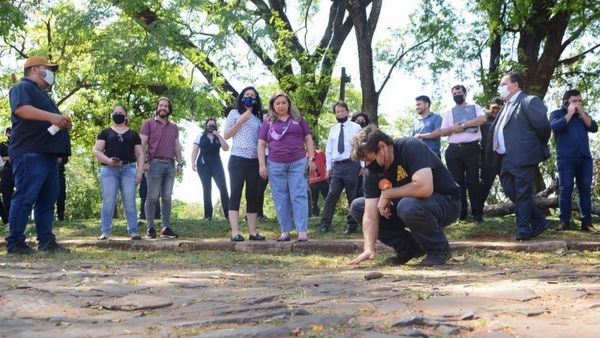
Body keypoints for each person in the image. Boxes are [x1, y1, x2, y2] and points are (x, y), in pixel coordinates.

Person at [348, 126, 460, 266]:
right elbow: (370, 215)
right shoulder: (372, 173)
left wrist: (388, 194)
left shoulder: (411, 147)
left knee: (407, 206)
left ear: (382, 146)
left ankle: (439, 250)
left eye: (369, 159)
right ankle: (409, 248)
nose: (367, 165)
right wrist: (369, 247)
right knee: (358, 207)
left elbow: (424, 187)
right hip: (408, 207)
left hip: (445, 202)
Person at [6, 56, 72, 254]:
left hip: (48, 155)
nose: (51, 73)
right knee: (25, 197)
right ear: (35, 69)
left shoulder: (42, 94)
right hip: (30, 153)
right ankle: (15, 242)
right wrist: (53, 117)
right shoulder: (21, 88)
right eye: (48, 68)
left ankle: (46, 240)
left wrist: (61, 123)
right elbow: (21, 109)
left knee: (47, 200)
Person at [490, 71, 551, 240]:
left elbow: (544, 128)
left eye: (503, 84)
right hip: (505, 158)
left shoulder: (529, 101)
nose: (500, 88)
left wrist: (531, 147)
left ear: (514, 85)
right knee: (510, 190)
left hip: (524, 156)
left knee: (523, 192)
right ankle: (539, 220)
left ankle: (523, 229)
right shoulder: (505, 107)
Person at [258, 90, 316, 241]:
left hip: (298, 162)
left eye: (284, 102)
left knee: (299, 195)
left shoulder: (298, 119)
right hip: (275, 164)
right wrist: (262, 165)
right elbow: (261, 144)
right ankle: (285, 231)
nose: (281, 105)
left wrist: (311, 159)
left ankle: (302, 231)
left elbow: (308, 139)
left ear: (289, 104)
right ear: (273, 106)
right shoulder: (268, 122)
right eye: (277, 103)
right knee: (280, 198)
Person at [433, 85, 486, 223]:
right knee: (456, 183)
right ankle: (460, 214)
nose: (457, 95)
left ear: (465, 94)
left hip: (472, 149)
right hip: (454, 150)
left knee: (474, 182)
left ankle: (477, 214)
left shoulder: (475, 107)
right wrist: (453, 128)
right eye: (454, 93)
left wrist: (464, 125)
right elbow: (442, 132)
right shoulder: (448, 113)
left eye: (459, 92)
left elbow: (482, 119)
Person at [93, 106, 145, 240]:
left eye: (121, 113)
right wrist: (108, 160)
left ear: (126, 116)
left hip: (129, 170)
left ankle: (133, 232)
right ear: (112, 115)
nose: (118, 114)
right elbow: (96, 151)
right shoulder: (105, 132)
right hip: (108, 170)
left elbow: (140, 154)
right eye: (115, 113)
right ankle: (105, 232)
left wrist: (140, 172)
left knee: (130, 202)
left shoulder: (133, 134)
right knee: (108, 201)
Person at [550, 89, 598, 232]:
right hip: (566, 158)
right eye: (574, 101)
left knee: (585, 190)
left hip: (584, 158)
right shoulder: (557, 114)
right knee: (566, 190)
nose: (577, 104)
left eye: (579, 101)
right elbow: (554, 126)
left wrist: (582, 113)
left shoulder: (582, 115)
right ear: (566, 102)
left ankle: (587, 223)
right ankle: (564, 222)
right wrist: (570, 113)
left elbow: (594, 127)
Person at [224, 87, 266, 242]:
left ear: (256, 100)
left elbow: (261, 142)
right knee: (235, 193)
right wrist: (240, 121)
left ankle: (253, 232)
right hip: (237, 159)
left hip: (253, 161)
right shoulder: (234, 114)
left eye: (253, 95)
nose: (249, 97)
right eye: (247, 95)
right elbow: (226, 135)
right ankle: (235, 232)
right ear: (242, 97)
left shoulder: (258, 119)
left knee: (252, 196)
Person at [140, 96, 183, 239]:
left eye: (166, 106)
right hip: (154, 164)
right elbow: (142, 144)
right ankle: (150, 228)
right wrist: (143, 163)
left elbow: (176, 145)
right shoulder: (148, 123)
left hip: (170, 165)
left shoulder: (174, 127)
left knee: (167, 197)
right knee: (152, 197)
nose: (163, 108)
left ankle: (165, 228)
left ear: (169, 109)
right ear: (157, 108)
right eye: (161, 105)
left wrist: (180, 163)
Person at [319, 101, 362, 234]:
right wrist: (328, 168)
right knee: (332, 194)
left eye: (342, 111)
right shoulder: (333, 129)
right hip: (337, 167)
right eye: (337, 111)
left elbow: (360, 147)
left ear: (347, 112)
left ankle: (351, 225)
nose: (340, 113)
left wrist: (363, 165)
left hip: (352, 164)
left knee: (352, 196)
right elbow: (329, 150)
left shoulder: (356, 127)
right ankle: (325, 224)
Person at [191, 118, 230, 222]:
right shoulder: (200, 136)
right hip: (203, 164)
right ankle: (208, 215)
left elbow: (226, 148)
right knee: (207, 188)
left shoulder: (218, 137)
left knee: (223, 187)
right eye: (209, 124)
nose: (211, 126)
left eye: (213, 124)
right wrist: (192, 163)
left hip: (217, 164)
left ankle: (228, 214)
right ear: (206, 126)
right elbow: (194, 151)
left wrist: (218, 135)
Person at [479, 98, 503, 206]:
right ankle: (478, 211)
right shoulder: (484, 120)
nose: (495, 110)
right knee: (484, 186)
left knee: (509, 185)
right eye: (493, 108)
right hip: (487, 158)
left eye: (498, 108)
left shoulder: (506, 119)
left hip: (503, 158)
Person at [308, 149, 328, 216]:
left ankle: (327, 213)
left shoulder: (321, 153)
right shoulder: (305, 156)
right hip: (313, 181)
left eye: (313, 144)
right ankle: (315, 215)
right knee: (314, 200)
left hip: (323, 179)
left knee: (327, 198)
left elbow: (326, 162)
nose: (313, 146)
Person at [0, 127, 13, 226]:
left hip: (19, 172)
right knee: (6, 195)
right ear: (7, 134)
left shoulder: (20, 145)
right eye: (11, 132)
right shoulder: (2, 145)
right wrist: (6, 158)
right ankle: (7, 219)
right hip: (6, 172)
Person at [56, 156, 68, 220]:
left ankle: (60, 216)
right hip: (46, 170)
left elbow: (65, 159)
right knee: (47, 195)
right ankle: (47, 217)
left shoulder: (61, 147)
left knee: (61, 195)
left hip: (60, 173)